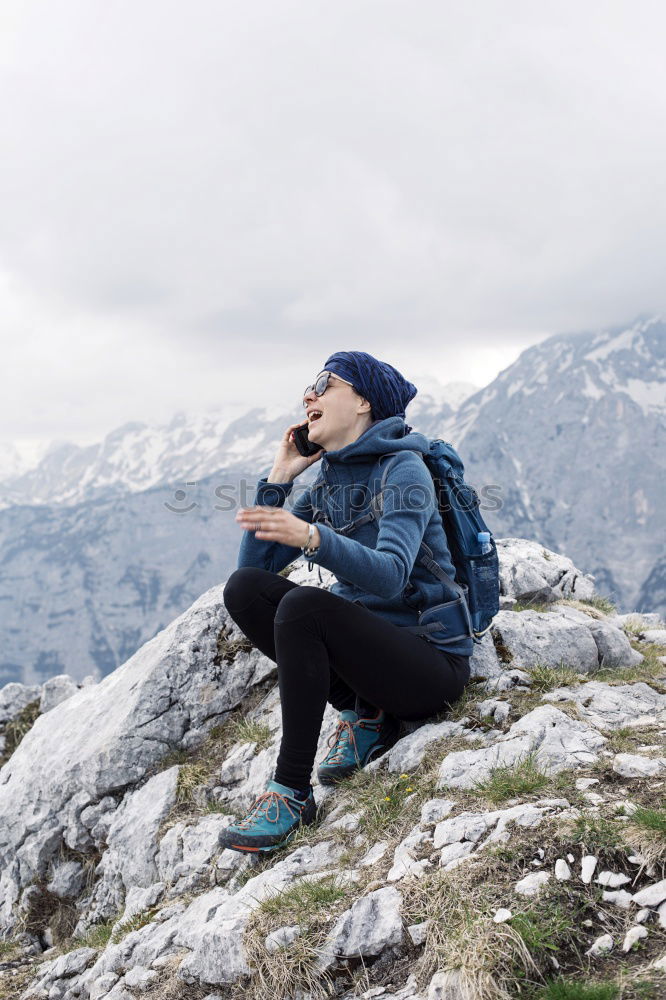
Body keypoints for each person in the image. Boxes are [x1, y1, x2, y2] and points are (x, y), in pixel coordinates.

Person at [219, 351, 472, 854]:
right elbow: (257, 569)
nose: (308, 396)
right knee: (244, 591)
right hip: (373, 666)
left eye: (324, 384)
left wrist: (314, 537)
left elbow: (390, 576)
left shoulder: (404, 469)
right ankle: (365, 714)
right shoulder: (331, 480)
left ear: (362, 402)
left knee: (305, 608)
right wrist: (280, 478)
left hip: (429, 664)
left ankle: (290, 794)